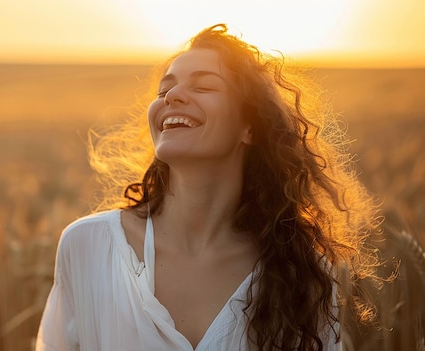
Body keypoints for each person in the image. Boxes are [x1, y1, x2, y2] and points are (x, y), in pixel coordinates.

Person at [35, 23, 381, 350]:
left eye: (202, 86)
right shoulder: (89, 246)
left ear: (250, 127)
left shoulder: (301, 270)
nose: (172, 97)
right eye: (164, 89)